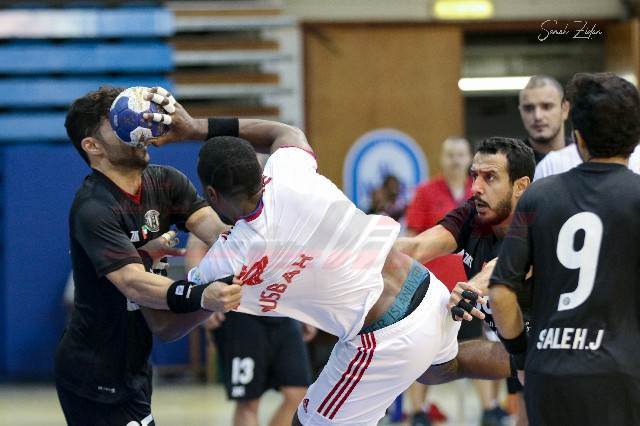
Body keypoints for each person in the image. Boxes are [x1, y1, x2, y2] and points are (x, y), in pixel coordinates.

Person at [141, 88, 512, 425]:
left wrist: (148, 260)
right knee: (442, 367)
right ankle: (535, 352)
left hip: (385, 336)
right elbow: (282, 132)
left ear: (211, 194)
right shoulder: (288, 172)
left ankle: (537, 355)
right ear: (259, 168)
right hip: (426, 287)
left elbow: (166, 327)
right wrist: (193, 128)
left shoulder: (229, 261)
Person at [55, 86, 301, 425]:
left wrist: (274, 247)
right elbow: (133, 283)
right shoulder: (93, 207)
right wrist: (202, 295)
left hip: (135, 363)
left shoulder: (166, 182)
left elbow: (222, 236)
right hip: (93, 371)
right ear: (92, 146)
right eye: (118, 122)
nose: (137, 126)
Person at [489, 73, 640, 426]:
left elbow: (500, 292)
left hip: (549, 370)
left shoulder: (536, 196)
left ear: (578, 137)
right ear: (635, 138)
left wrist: (521, 357)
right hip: (623, 372)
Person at [396, 137, 536, 425]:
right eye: (475, 176)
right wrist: (360, 251)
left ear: (520, 186)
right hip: (514, 345)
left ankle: (489, 409)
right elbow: (417, 247)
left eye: (490, 177)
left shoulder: (536, 220)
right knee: (430, 366)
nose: (476, 188)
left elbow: (503, 267)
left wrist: (472, 288)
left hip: (557, 345)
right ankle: (418, 412)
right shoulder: (473, 211)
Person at [187, 231, 316, 426]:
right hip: (240, 309)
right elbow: (197, 247)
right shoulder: (225, 213)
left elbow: (299, 255)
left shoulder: (289, 214)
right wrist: (202, 299)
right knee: (248, 400)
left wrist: (305, 307)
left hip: (281, 306)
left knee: (297, 393)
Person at [404, 136, 472, 426]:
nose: (456, 160)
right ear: (442, 158)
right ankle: (418, 411)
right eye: (450, 154)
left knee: (477, 344)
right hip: (432, 287)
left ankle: (490, 408)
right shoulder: (426, 192)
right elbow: (412, 239)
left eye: (460, 154)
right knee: (423, 350)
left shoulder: (478, 191)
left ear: (469, 157)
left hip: (472, 285)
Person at [518, 75, 570, 163]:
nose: (537, 116)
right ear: (521, 112)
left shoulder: (585, 157)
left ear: (565, 109)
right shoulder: (508, 163)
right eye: (528, 108)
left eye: (547, 106)